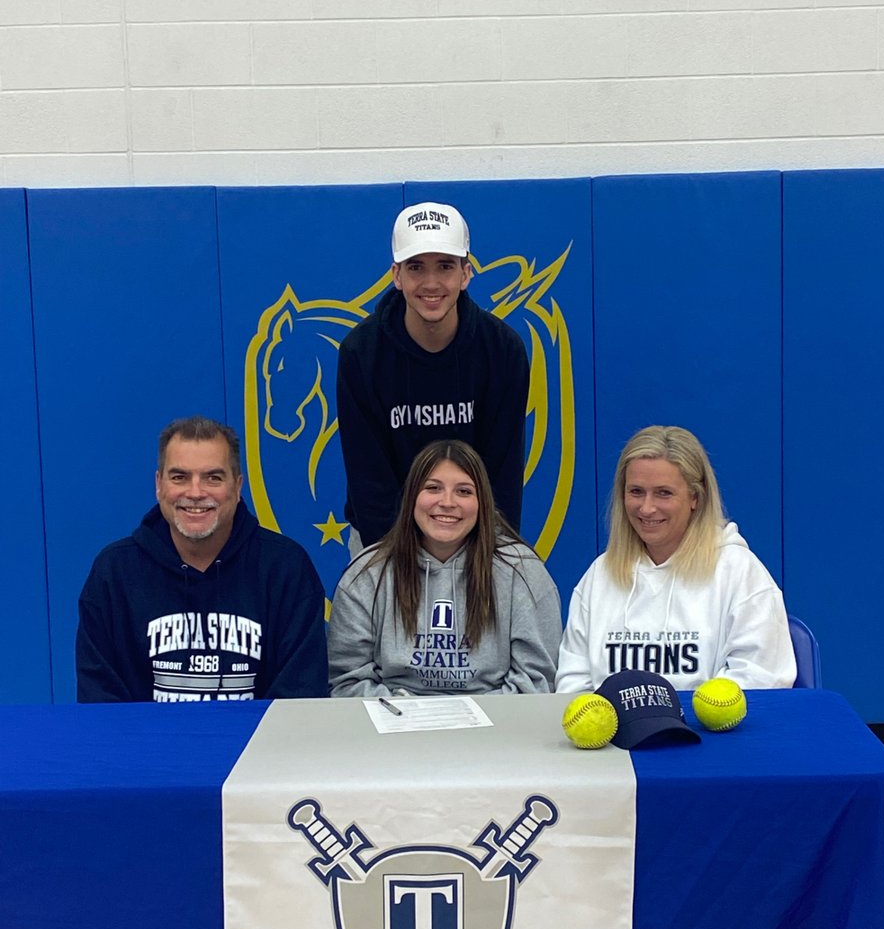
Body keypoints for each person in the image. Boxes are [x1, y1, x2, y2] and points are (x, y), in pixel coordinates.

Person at [77, 415, 328, 702]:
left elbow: (300, 697)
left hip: (259, 747)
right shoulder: (114, 573)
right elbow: (100, 703)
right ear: (159, 485)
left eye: (213, 477)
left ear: (237, 486)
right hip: (149, 747)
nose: (195, 492)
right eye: (179, 477)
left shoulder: (287, 570)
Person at [336, 201, 529, 551]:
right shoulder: (360, 353)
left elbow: (502, 476)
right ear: (396, 275)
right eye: (416, 267)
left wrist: (489, 555)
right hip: (384, 540)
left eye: (445, 266)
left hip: (476, 536)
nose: (431, 283)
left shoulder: (502, 351)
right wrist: (403, 565)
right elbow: (369, 481)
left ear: (465, 273)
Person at [556, 425, 796, 693]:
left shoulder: (739, 571)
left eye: (663, 493)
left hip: (709, 734)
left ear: (695, 496)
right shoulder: (600, 574)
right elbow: (573, 682)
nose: (646, 508)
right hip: (616, 733)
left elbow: (763, 678)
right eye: (636, 492)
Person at [328, 439, 561, 698]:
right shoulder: (368, 573)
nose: (447, 502)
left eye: (464, 491)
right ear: (412, 497)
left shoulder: (522, 572)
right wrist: (412, 718)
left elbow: (536, 680)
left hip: (494, 730)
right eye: (433, 488)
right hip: (395, 728)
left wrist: (471, 721)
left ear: (482, 502)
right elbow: (347, 680)